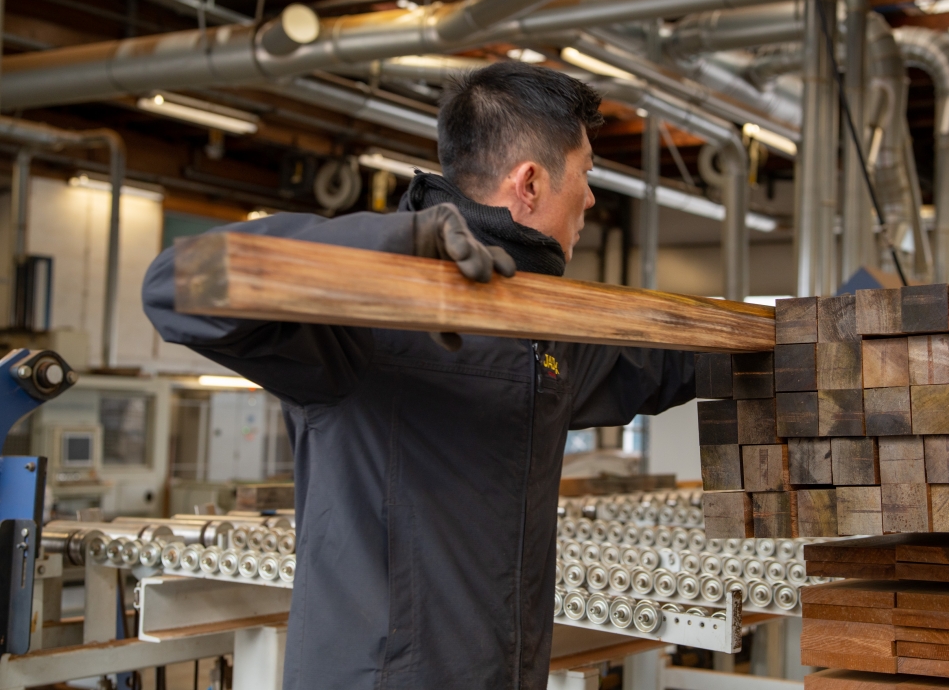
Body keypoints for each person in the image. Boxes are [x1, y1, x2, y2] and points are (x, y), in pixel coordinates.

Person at [142, 62, 695, 689]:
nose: (592, 197)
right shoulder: (358, 313)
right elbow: (174, 288)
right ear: (531, 183)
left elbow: (666, 360)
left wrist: (812, 326)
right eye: (588, 171)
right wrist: (392, 244)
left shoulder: (544, 330)